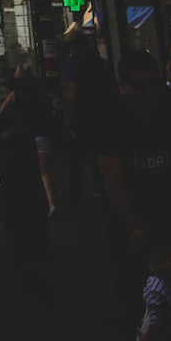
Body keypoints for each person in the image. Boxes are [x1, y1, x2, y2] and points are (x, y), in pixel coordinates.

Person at [97, 50, 171, 321]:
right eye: (138, 86)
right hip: (129, 222)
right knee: (138, 305)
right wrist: (133, 227)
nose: (148, 92)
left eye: (154, 84)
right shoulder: (112, 118)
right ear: (123, 87)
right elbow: (111, 178)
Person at [0, 66, 56, 269]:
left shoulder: (14, 95)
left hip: (21, 142)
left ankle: (24, 251)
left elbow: (0, 116)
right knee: (42, 173)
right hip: (41, 136)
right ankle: (51, 204)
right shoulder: (38, 93)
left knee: (26, 181)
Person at [63, 24, 116, 213]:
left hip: (83, 118)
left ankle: (74, 199)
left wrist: (70, 118)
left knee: (76, 161)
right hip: (100, 116)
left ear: (72, 48)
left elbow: (74, 92)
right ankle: (105, 194)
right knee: (97, 160)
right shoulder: (97, 60)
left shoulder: (74, 63)